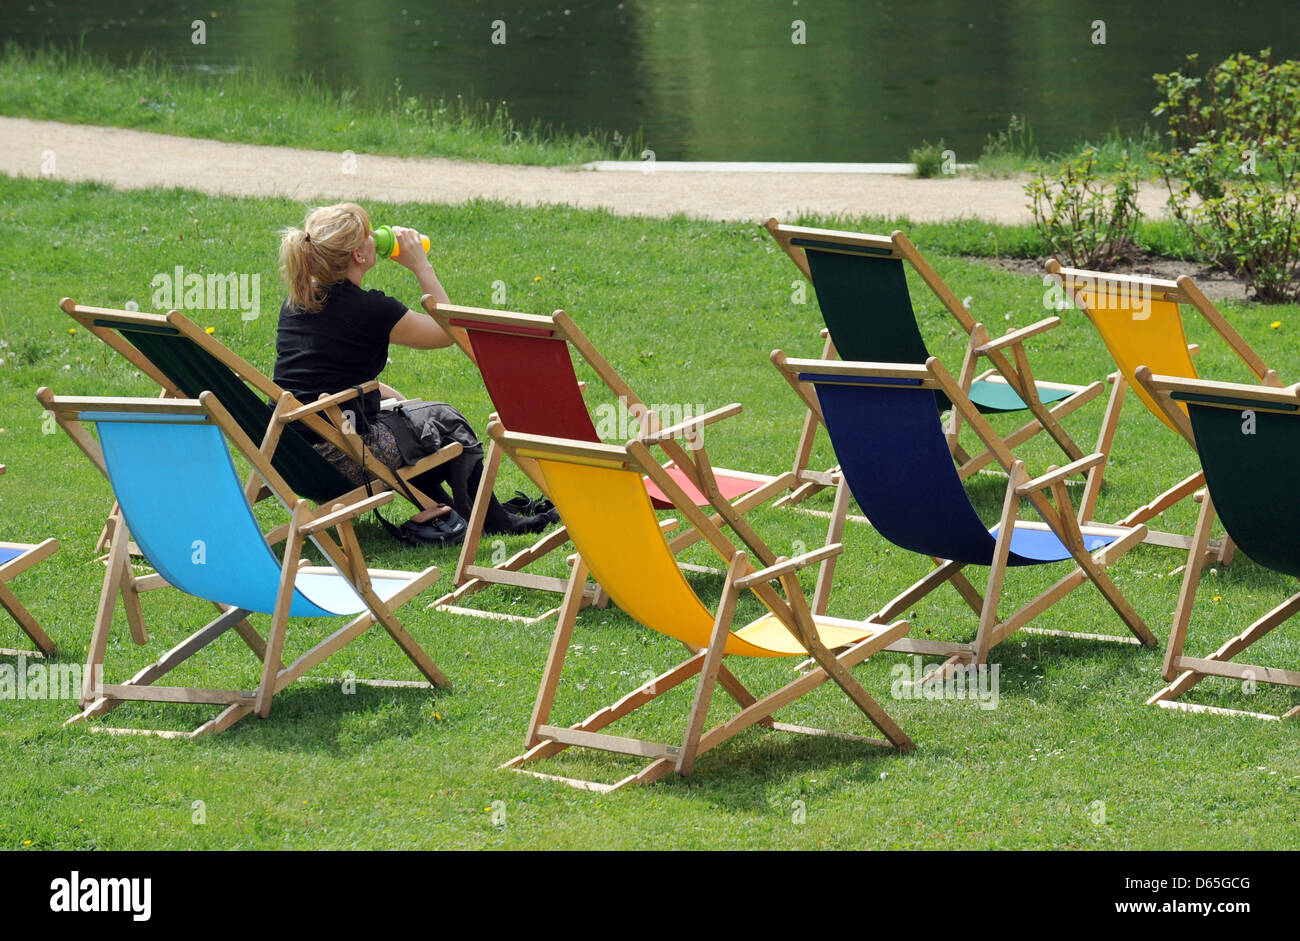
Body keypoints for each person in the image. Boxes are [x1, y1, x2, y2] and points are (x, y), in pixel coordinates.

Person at [273, 202, 557, 544]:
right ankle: (495, 521)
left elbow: (319, 374)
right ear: (360, 255)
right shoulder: (371, 309)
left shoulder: (297, 303)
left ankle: (454, 511)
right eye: (368, 234)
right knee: (444, 419)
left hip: (294, 455)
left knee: (410, 418)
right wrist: (421, 267)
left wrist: (379, 389)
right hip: (344, 457)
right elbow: (445, 333)